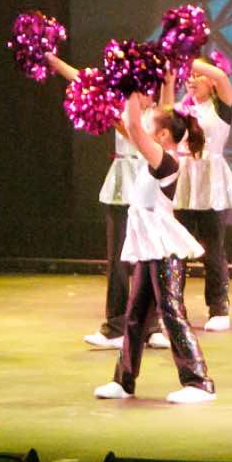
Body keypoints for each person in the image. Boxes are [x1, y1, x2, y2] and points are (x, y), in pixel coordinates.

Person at [94, 92, 215, 404]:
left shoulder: (165, 160)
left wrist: (130, 91)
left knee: (171, 312)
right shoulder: (155, 157)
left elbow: (134, 128)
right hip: (149, 249)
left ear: (162, 136)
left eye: (151, 127)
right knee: (135, 316)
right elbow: (138, 124)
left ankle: (199, 382)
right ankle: (124, 381)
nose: (143, 131)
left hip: (164, 251)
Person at [47, 50, 144, 349]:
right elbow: (82, 79)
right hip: (122, 182)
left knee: (150, 259)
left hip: (149, 184)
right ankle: (116, 327)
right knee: (118, 258)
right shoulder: (118, 98)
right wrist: (53, 61)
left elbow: (138, 133)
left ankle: (152, 326)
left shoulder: (157, 106)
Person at [171, 55, 232, 333]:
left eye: (197, 75)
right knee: (177, 249)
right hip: (184, 181)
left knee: (212, 247)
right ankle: (174, 308)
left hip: (211, 183)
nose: (191, 80)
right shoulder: (181, 109)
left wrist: (183, 56)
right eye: (188, 76)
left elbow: (222, 77)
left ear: (211, 81)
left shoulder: (221, 106)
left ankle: (218, 308)